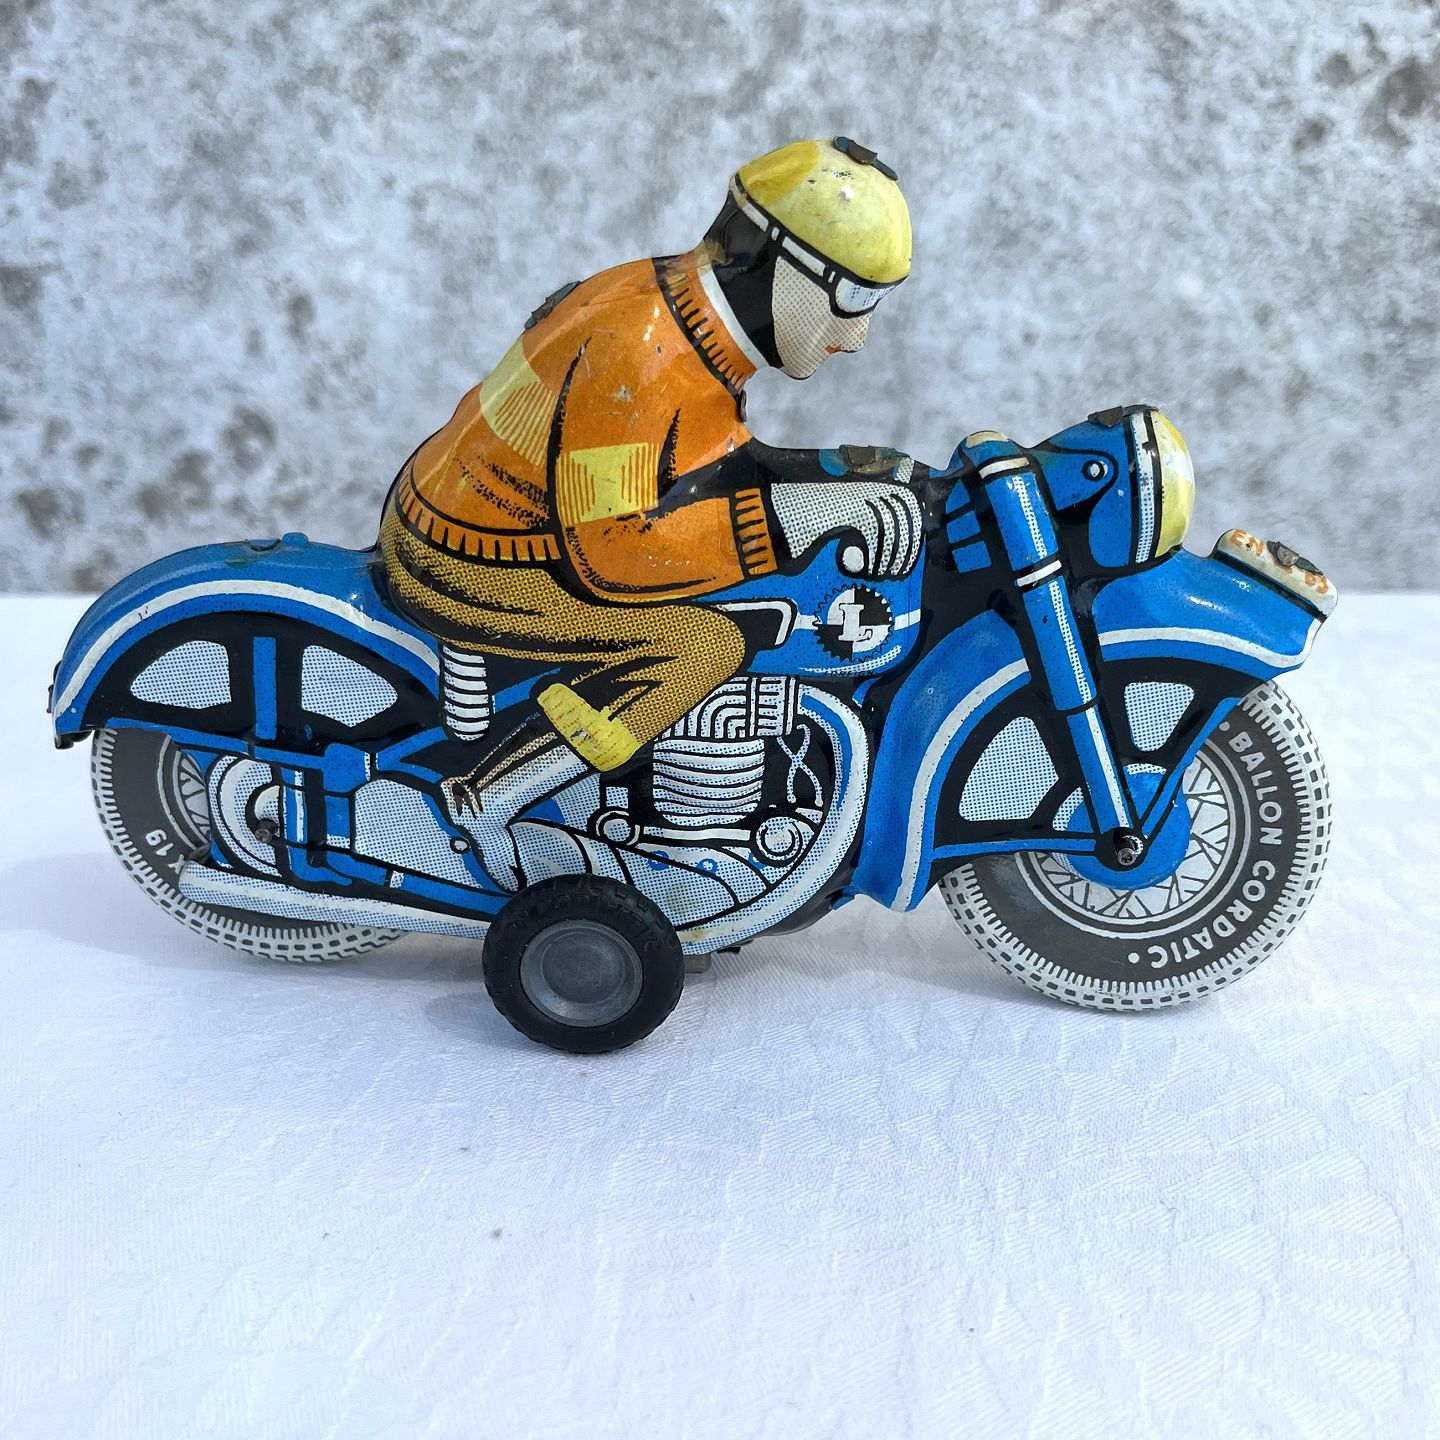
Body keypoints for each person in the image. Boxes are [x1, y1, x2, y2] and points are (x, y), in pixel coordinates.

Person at [378, 136, 926, 887]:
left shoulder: (672, 306)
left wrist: (828, 481)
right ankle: (484, 799)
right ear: (778, 261)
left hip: (485, 520)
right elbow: (614, 552)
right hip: (473, 559)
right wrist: (792, 517)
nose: (856, 337)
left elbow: (698, 462)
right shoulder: (642, 351)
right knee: (703, 644)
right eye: (853, 299)